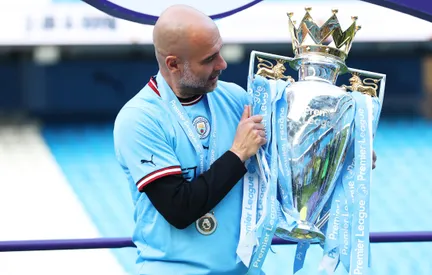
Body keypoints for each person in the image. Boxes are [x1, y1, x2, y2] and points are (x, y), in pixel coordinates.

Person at [113, 4, 377, 275]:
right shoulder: (139, 119)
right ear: (173, 64)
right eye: (209, 59)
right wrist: (238, 153)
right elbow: (180, 209)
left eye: (220, 51)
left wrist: (339, 156)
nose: (222, 64)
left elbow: (284, 176)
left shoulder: (237, 99)